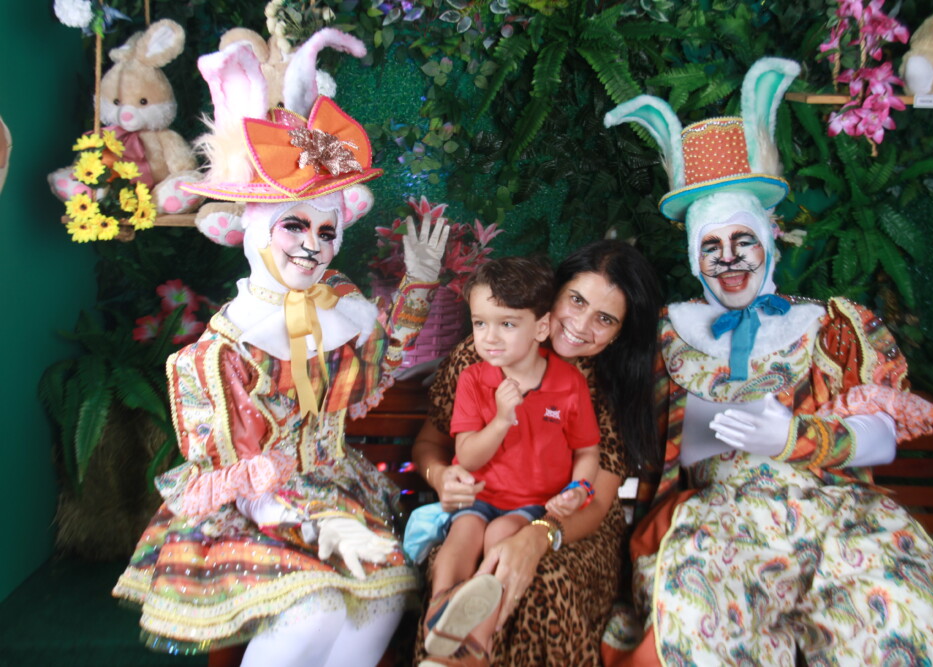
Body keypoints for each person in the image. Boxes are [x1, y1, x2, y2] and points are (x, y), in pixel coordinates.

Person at [600, 57, 933, 665]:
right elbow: (608, 393)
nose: (729, 259)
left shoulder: (832, 326)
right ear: (695, 259)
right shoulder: (670, 333)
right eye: (711, 246)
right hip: (723, 524)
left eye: (742, 240)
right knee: (695, 614)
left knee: (899, 604)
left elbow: (883, 438)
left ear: (769, 240)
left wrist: (794, 437)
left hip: (836, 519)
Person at [112, 32, 451, 667]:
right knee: (313, 609)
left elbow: (378, 366)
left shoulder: (339, 306)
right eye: (294, 225)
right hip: (252, 513)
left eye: (327, 229)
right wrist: (314, 526)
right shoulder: (224, 350)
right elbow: (235, 477)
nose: (312, 245)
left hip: (334, 488)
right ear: (256, 231)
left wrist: (419, 284)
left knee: (382, 599)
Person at [412, 239, 663, 665]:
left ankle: (474, 652)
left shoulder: (610, 385)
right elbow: (430, 444)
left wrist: (539, 535)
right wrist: (440, 477)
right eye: (576, 300)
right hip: (485, 502)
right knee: (460, 556)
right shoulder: (489, 350)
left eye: (604, 319)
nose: (580, 324)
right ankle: (444, 648)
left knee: (536, 578)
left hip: (575, 519)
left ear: (621, 332)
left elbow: (596, 497)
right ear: (553, 296)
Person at [419, 257, 602, 664]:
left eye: (507, 324)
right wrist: (501, 420)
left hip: (533, 503)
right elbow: (467, 457)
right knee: (463, 533)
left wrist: (580, 488)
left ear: (541, 327)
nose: (490, 338)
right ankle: (439, 620)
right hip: (482, 495)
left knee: (501, 534)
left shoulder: (568, 384)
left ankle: (475, 644)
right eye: (480, 323)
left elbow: (588, 450)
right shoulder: (474, 379)